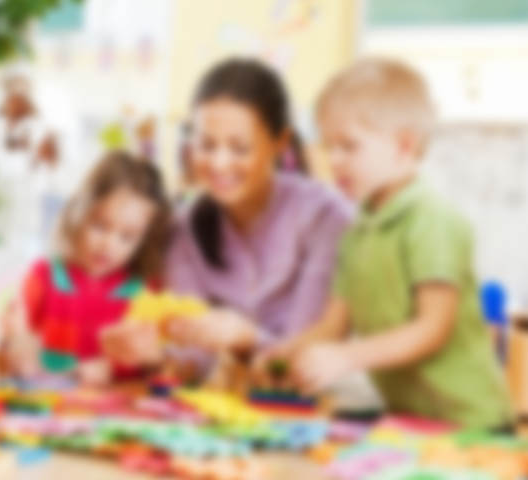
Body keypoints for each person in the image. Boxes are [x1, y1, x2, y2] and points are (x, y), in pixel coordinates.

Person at [256, 59, 512, 430]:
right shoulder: (356, 232)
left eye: (349, 146)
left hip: (473, 424)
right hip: (412, 423)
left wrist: (348, 358)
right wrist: (284, 352)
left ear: (403, 145)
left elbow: (433, 329)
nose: (334, 160)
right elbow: (333, 326)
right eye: (329, 146)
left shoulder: (432, 221)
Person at [106, 58, 351, 370]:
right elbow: (194, 360)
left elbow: (306, 355)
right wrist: (153, 354)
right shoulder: (183, 230)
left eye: (239, 148)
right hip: (226, 395)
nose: (219, 163)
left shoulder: (327, 218)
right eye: (206, 145)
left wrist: (245, 338)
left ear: (280, 143)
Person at [16, 151, 170, 385]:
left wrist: (114, 368)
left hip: (123, 402)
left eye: (127, 237)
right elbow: (16, 342)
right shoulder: (44, 276)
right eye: (100, 226)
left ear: (143, 241)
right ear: (79, 211)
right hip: (52, 402)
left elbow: (161, 364)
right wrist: (19, 350)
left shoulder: (146, 292)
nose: (109, 244)